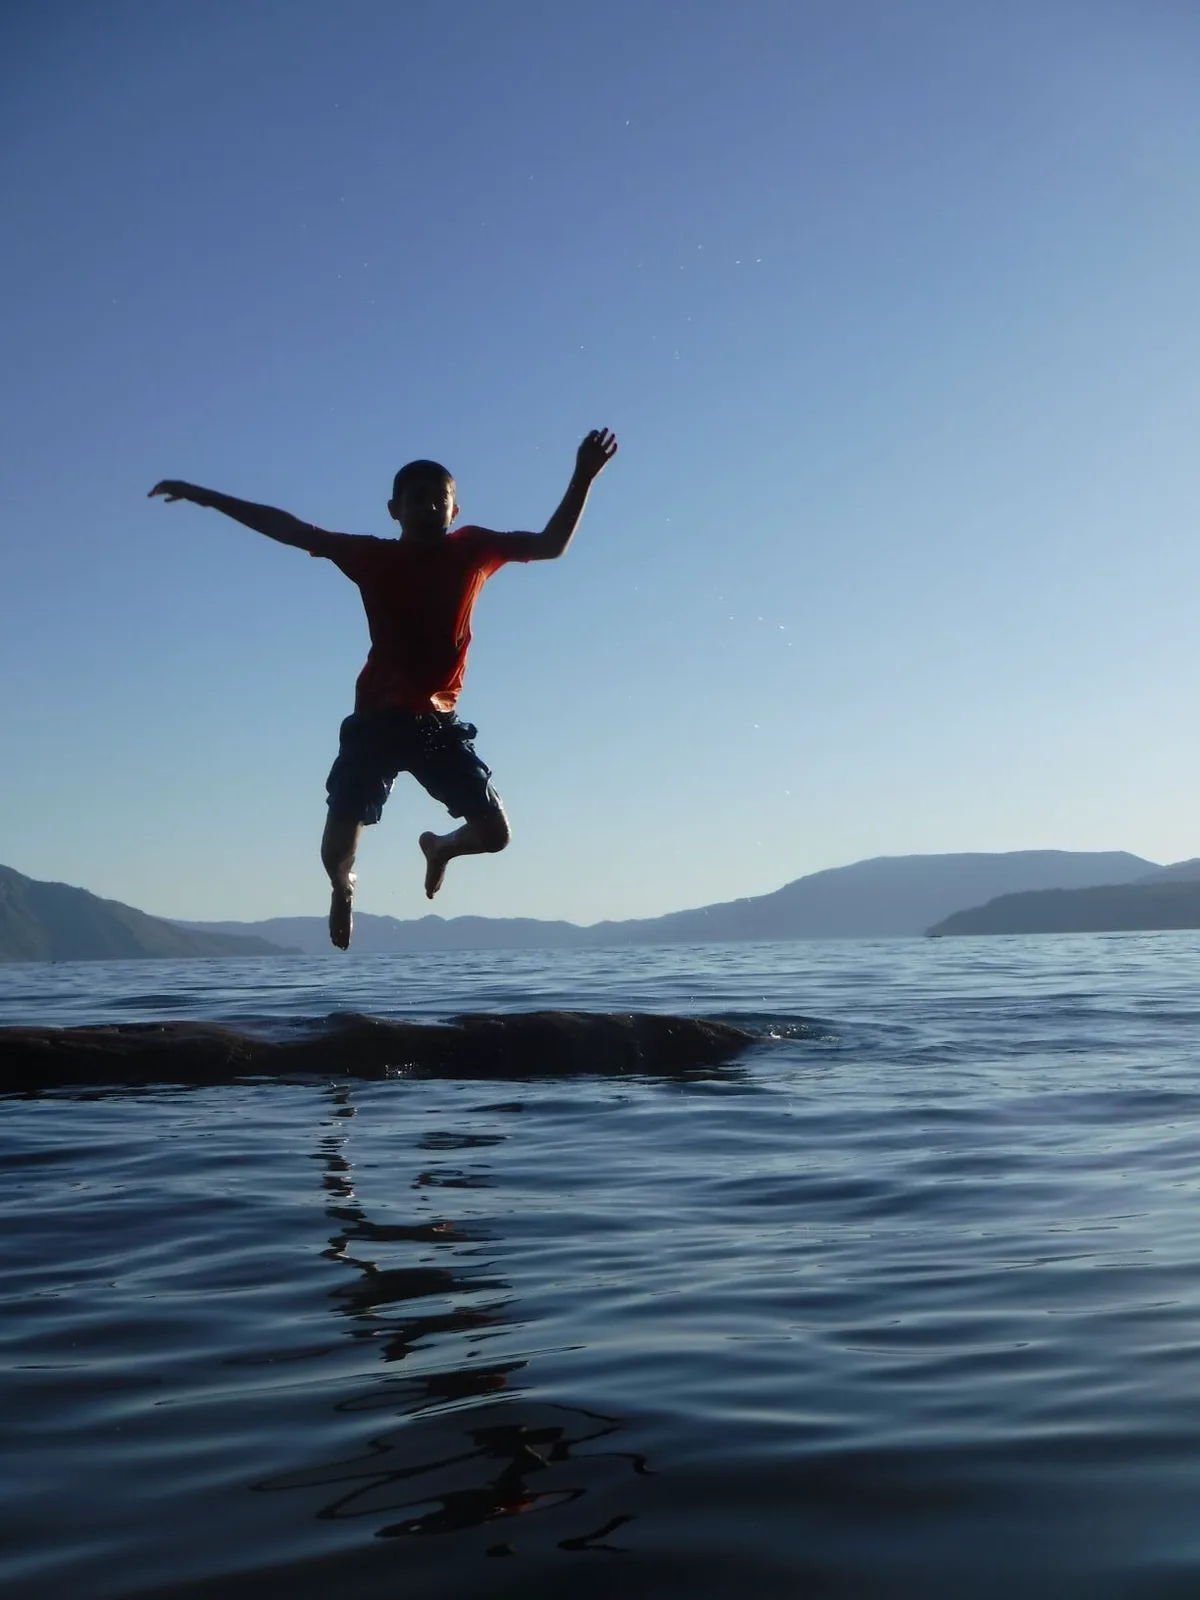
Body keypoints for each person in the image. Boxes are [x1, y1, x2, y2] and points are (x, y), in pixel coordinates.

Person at [149, 428, 618, 949]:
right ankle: (341, 885)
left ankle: (440, 847)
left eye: (439, 500)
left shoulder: (475, 549)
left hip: (437, 724)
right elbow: (291, 529)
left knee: (496, 836)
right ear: (394, 509)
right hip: (376, 721)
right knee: (336, 848)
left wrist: (583, 476)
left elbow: (550, 545)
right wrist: (207, 497)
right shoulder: (371, 557)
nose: (428, 508)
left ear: (455, 510)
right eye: (416, 500)